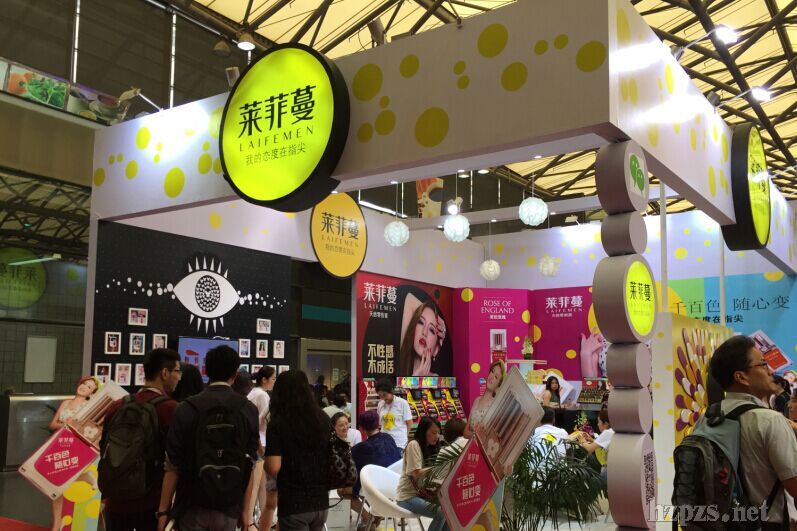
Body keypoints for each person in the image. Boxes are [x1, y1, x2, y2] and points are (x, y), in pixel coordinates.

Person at [158, 345, 259, 531]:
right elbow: (249, 464)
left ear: (206, 371)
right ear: (235, 374)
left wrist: (163, 511)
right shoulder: (248, 409)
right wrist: (246, 512)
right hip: (229, 506)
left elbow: (172, 465)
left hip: (191, 503)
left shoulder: (185, 408)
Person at [707, 335, 797, 529]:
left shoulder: (706, 419)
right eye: (763, 364)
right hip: (766, 524)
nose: (770, 370)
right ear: (741, 377)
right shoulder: (769, 421)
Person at [102, 349, 181, 531]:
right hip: (152, 504)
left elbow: (103, 449)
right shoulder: (171, 409)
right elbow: (174, 461)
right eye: (177, 371)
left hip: (115, 503)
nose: (179, 377)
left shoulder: (118, 405)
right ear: (165, 373)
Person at [265, 370, 330, 531]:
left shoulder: (278, 423)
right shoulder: (322, 418)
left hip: (293, 503)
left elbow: (273, 467)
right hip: (321, 502)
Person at [395, 417, 448, 531]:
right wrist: (438, 468)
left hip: (420, 494)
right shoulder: (414, 445)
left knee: (450, 511)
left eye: (438, 433)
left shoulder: (430, 448)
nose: (437, 436)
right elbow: (416, 473)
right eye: (433, 432)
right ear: (424, 431)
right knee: (442, 512)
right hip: (407, 497)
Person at [247, 366, 277, 531]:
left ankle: (261, 519)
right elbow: (264, 419)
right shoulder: (262, 395)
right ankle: (253, 520)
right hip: (261, 441)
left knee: (259, 484)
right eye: (273, 378)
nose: (274, 381)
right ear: (264, 380)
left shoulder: (253, 392)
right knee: (259, 484)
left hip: (256, 440)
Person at [399, 301, 447, 376]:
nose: (424, 332)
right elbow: (409, 301)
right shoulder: (400, 370)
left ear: (436, 350)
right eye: (421, 322)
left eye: (431, 330)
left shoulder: (436, 380)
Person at [465, 360, 505, 437]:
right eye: (492, 371)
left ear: (498, 386)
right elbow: (465, 432)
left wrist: (476, 436)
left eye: (496, 377)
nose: (492, 377)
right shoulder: (477, 400)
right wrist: (475, 435)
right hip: (471, 444)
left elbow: (489, 437)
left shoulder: (495, 406)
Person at [375, 378, 413, 450]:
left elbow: (409, 422)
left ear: (391, 391)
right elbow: (380, 424)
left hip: (399, 443)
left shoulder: (402, 403)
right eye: (380, 395)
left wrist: (404, 437)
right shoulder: (380, 404)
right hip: (384, 442)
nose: (383, 398)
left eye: (384, 394)